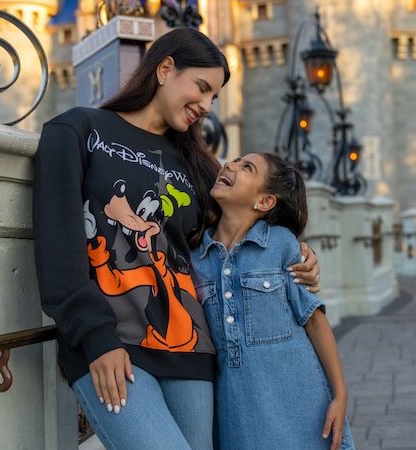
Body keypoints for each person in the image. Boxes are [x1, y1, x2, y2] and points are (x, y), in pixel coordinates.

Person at [32, 28, 320, 450]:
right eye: (201, 88)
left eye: (213, 98)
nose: (205, 106)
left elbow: (245, 227)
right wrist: (96, 337)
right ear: (165, 68)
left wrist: (298, 250)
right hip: (111, 340)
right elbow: (57, 244)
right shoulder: (77, 130)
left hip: (191, 347)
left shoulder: (200, 167)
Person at [190, 152, 355, 450]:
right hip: (237, 406)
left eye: (246, 167)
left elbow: (315, 321)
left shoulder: (282, 245)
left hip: (299, 397)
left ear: (265, 201)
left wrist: (340, 394)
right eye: (236, 160)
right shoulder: (196, 257)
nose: (230, 165)